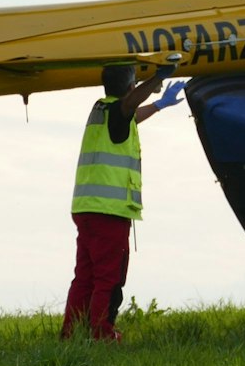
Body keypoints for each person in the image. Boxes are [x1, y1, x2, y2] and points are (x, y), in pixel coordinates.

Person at [63, 62, 181, 341]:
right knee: (109, 277)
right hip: (109, 212)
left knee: (85, 276)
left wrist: (160, 105)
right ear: (130, 87)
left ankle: (71, 333)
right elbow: (130, 107)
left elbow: (130, 114)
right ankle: (102, 333)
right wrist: (156, 79)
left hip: (86, 208)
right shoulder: (118, 109)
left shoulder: (101, 109)